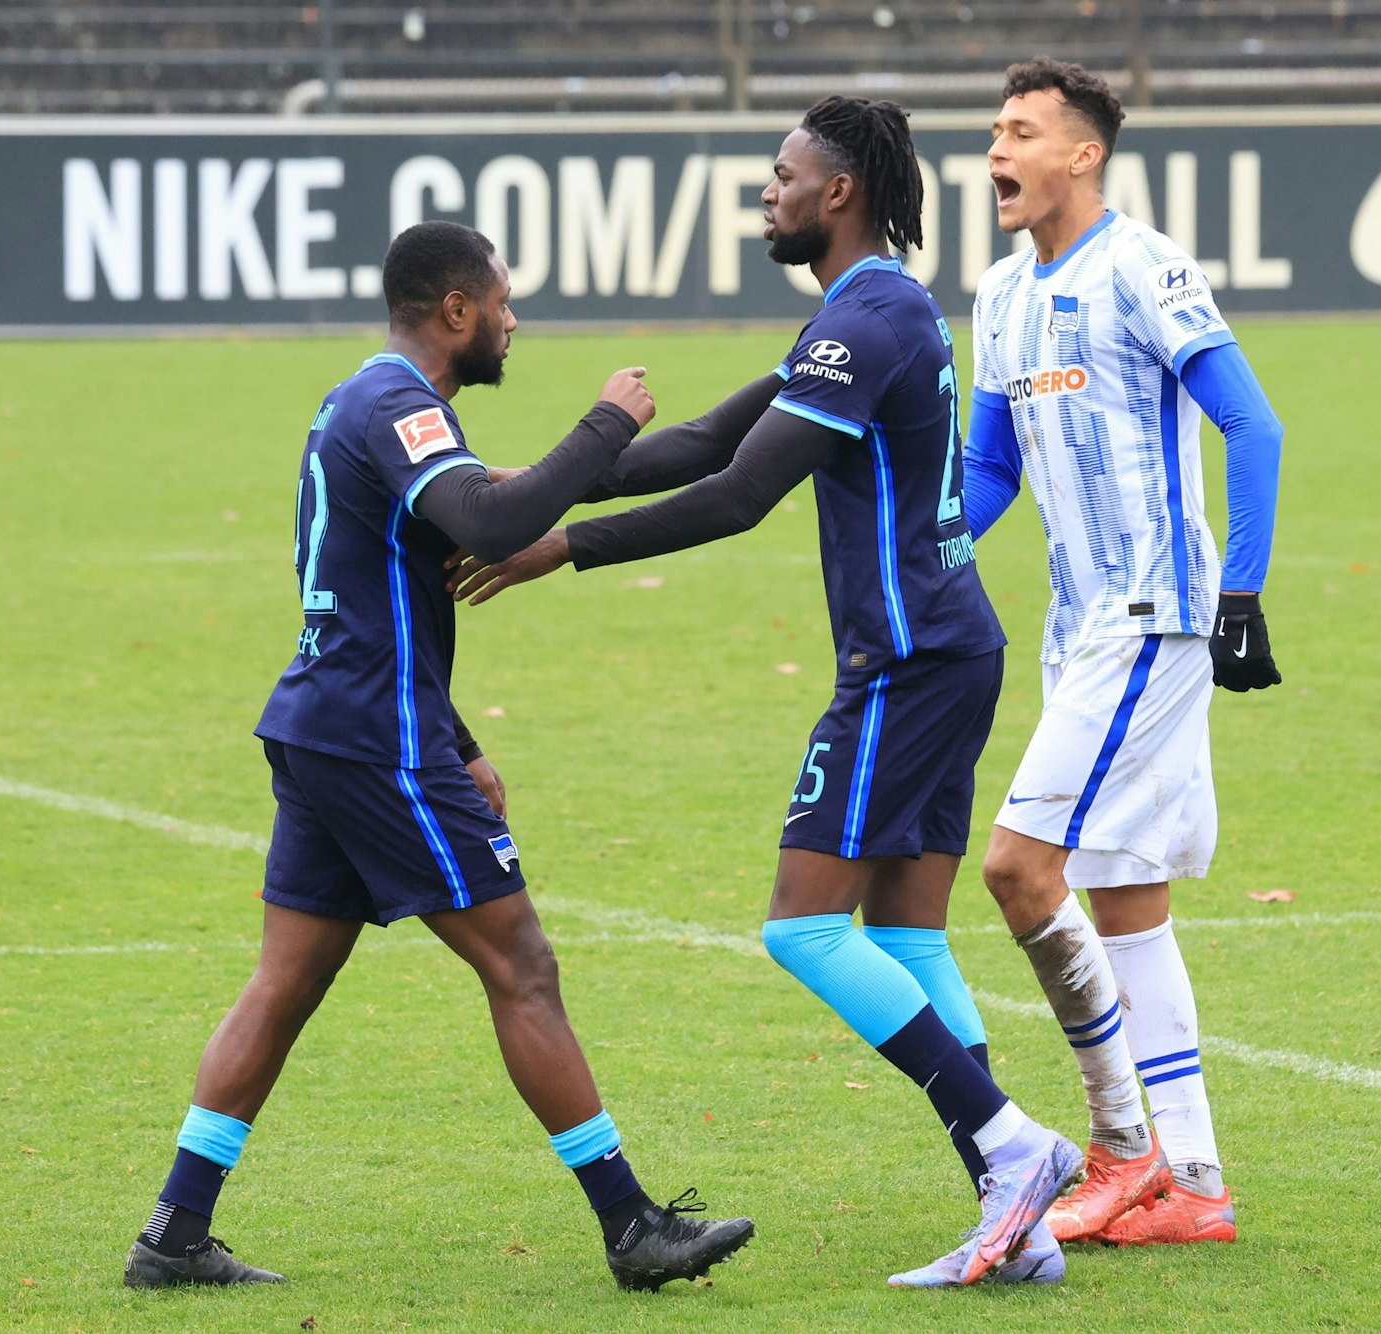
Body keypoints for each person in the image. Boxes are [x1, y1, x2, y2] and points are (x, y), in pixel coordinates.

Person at [446, 96, 1081, 1289]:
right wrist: (533, 489)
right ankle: (1020, 1209)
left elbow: (740, 495)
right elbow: (697, 442)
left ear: (836, 192)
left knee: (800, 925)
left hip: (905, 659)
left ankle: (1010, 1146)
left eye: (782, 174)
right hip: (947, 648)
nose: (767, 191)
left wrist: (558, 549)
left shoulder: (869, 316)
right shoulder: (863, 309)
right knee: (902, 934)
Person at [123, 220, 753, 1294]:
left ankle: (175, 1231)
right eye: (502, 301)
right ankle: (629, 1223)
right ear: (456, 311)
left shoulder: (372, 406)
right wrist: (607, 414)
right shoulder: (396, 405)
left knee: (287, 979)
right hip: (373, 739)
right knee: (522, 963)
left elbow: (389, 575)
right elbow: (494, 519)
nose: (513, 319)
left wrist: (457, 736)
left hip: (337, 720)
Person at [960, 57, 1285, 1247]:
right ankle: (1193, 1184)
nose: (995, 150)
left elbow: (1251, 422)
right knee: (1123, 899)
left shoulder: (1141, 267)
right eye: (992, 130)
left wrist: (1238, 593)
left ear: (1081, 152)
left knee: (1015, 866)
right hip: (1075, 628)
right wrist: (923, 547)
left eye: (1019, 130)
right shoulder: (998, 294)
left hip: (1154, 618)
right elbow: (990, 465)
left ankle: (1122, 1142)